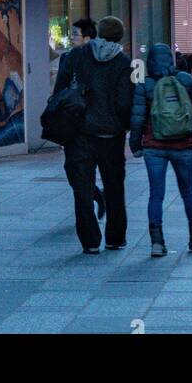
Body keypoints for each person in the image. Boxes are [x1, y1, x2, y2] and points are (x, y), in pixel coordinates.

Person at [53, 16, 132, 254]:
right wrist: (123, 125)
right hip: (111, 135)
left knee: (82, 189)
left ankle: (90, 241)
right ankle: (115, 238)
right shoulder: (123, 62)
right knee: (115, 187)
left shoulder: (76, 56)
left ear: (97, 33)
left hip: (79, 134)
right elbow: (125, 102)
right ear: (120, 37)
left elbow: (59, 92)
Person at [130, 42, 192, 257]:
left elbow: (136, 120)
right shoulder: (185, 80)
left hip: (154, 147)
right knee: (188, 192)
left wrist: (135, 145)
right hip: (182, 145)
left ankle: (157, 242)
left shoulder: (144, 85)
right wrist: (182, 119)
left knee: (156, 194)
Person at [55, 18, 106, 220]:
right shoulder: (67, 58)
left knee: (85, 169)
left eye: (75, 34)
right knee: (71, 169)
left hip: (94, 123)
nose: (71, 38)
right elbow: (60, 89)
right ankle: (95, 195)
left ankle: (88, 221)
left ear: (87, 38)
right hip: (72, 122)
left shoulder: (100, 59)